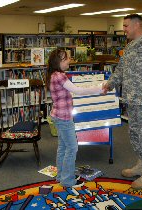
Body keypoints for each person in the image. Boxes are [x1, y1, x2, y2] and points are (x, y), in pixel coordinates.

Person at [103, 14, 142, 189]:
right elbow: (121, 69)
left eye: (125, 26)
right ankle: (141, 164)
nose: (123, 30)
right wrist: (110, 84)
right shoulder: (130, 47)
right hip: (132, 101)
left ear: (137, 25)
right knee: (135, 136)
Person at [47, 49, 103, 188]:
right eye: (67, 59)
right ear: (59, 61)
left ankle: (61, 176)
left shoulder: (54, 75)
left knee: (63, 147)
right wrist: (100, 88)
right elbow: (78, 91)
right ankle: (67, 180)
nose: (70, 60)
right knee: (72, 148)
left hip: (58, 116)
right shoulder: (60, 76)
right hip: (64, 118)